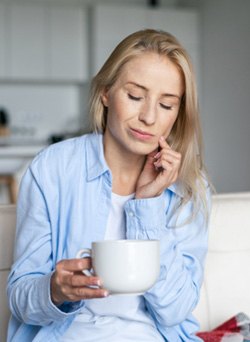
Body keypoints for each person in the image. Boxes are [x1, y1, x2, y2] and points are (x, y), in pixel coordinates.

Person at [7, 29, 211, 341]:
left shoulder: (190, 187)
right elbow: (21, 300)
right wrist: (55, 290)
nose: (149, 117)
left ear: (178, 114)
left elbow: (176, 309)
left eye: (167, 104)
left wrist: (147, 205)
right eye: (134, 96)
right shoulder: (53, 169)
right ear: (106, 92)